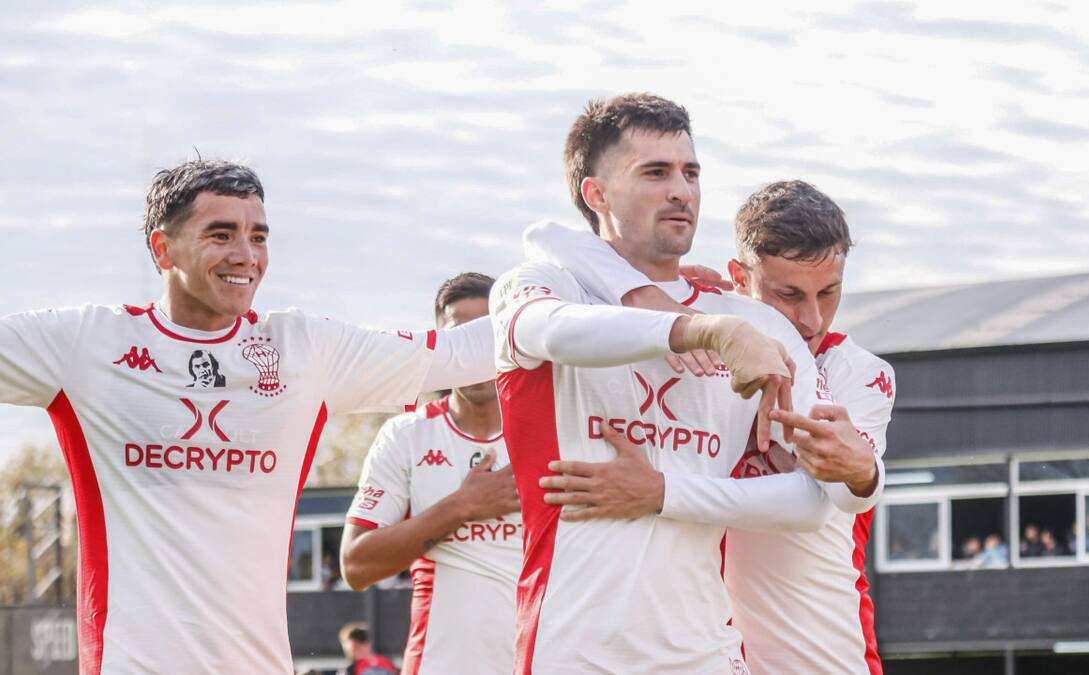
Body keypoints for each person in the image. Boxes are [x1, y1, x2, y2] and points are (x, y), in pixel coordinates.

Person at [0, 160, 494, 673]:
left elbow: (465, 353)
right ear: (162, 249)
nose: (245, 255)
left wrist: (552, 291)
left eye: (258, 237)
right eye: (221, 234)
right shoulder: (88, 344)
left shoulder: (304, 350)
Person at [492, 93, 881, 674]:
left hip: (708, 654)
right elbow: (549, 332)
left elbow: (812, 500)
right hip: (572, 652)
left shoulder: (758, 324)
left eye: (690, 173)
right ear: (596, 194)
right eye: (655, 172)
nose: (682, 190)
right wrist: (699, 331)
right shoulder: (545, 285)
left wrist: (661, 491)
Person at [341, 272, 522, 675]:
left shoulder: (554, 429)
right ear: (441, 346)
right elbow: (355, 565)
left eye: (487, 333)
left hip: (550, 660)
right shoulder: (407, 435)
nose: (474, 352)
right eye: (461, 337)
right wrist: (462, 506)